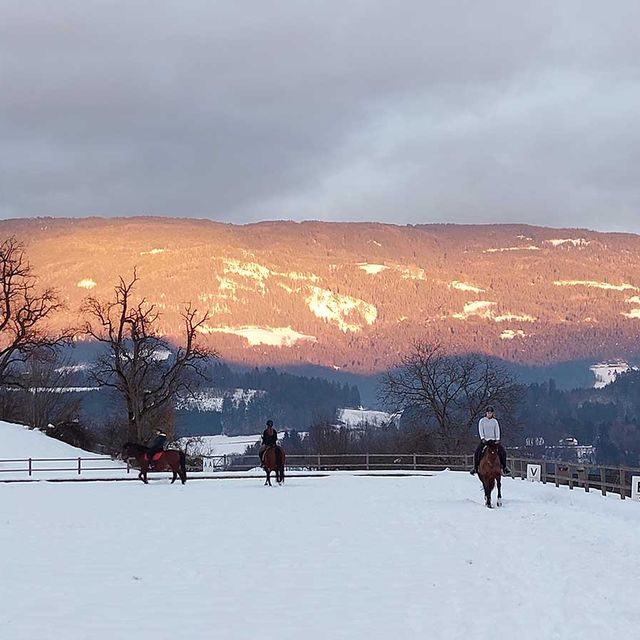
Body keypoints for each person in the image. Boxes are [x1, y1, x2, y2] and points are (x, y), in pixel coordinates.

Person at [470, 406, 510, 475]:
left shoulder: (495, 421)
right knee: (477, 452)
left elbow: (497, 430)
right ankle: (475, 467)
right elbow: (481, 430)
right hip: (485, 441)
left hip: (493, 441)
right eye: (488, 412)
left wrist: (497, 439)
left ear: (492, 413)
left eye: (490, 413)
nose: (489, 414)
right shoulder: (482, 421)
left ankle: (504, 467)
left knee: (503, 452)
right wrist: (482, 438)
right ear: (486, 413)